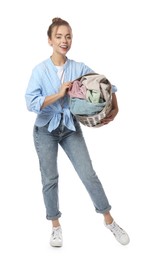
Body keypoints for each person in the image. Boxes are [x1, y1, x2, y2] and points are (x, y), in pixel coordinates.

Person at [25, 17, 130, 247]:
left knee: (88, 174)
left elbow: (105, 84)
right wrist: (59, 94)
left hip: (71, 128)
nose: (65, 40)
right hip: (45, 129)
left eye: (68, 36)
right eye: (59, 36)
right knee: (50, 179)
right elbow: (31, 103)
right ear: (50, 40)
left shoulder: (79, 68)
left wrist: (115, 104)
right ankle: (55, 226)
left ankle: (109, 220)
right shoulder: (39, 70)